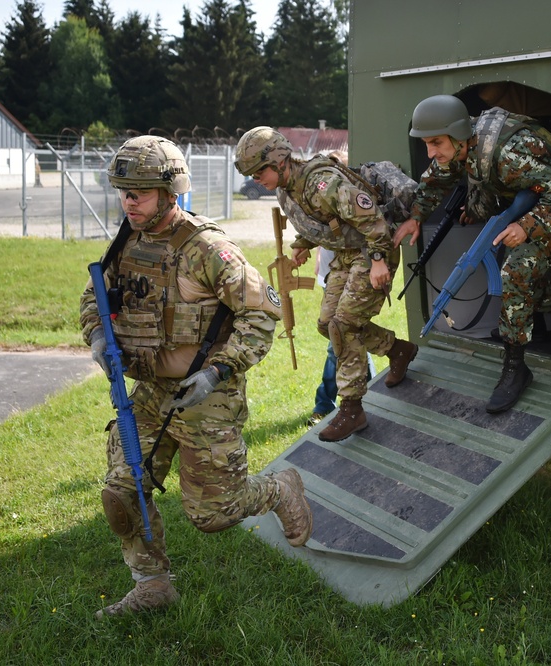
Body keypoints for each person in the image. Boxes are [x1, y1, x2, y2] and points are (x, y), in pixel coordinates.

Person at [80, 136, 313, 619]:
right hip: (147, 396)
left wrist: (217, 371)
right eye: (124, 192)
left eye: (139, 193)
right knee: (121, 495)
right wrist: (100, 340)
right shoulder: (127, 241)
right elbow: (93, 300)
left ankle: (280, 488)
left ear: (170, 192)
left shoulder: (207, 248)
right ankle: (152, 585)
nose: (129, 202)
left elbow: (261, 314)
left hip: (207, 398)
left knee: (213, 515)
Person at [393, 94, 551, 413]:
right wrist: (417, 216)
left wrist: (526, 226)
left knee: (515, 272)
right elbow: (436, 179)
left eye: (435, 143)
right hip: (538, 201)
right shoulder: (463, 146)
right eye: (426, 145)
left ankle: (517, 367)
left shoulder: (508, 153)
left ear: (457, 136)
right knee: (531, 264)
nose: (431, 153)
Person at [235, 127, 418, 442]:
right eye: (252, 175)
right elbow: (316, 219)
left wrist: (377, 260)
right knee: (325, 324)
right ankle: (397, 349)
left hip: (373, 249)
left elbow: (371, 217)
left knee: (343, 325)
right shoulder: (286, 188)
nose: (256, 180)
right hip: (347, 255)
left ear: (278, 162)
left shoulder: (322, 183)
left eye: (258, 172)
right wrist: (302, 242)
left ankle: (351, 409)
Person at [309, 246, 377, 427]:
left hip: (351, 273)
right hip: (330, 272)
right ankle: (372, 391)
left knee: (339, 341)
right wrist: (318, 254)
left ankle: (325, 403)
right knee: (351, 337)